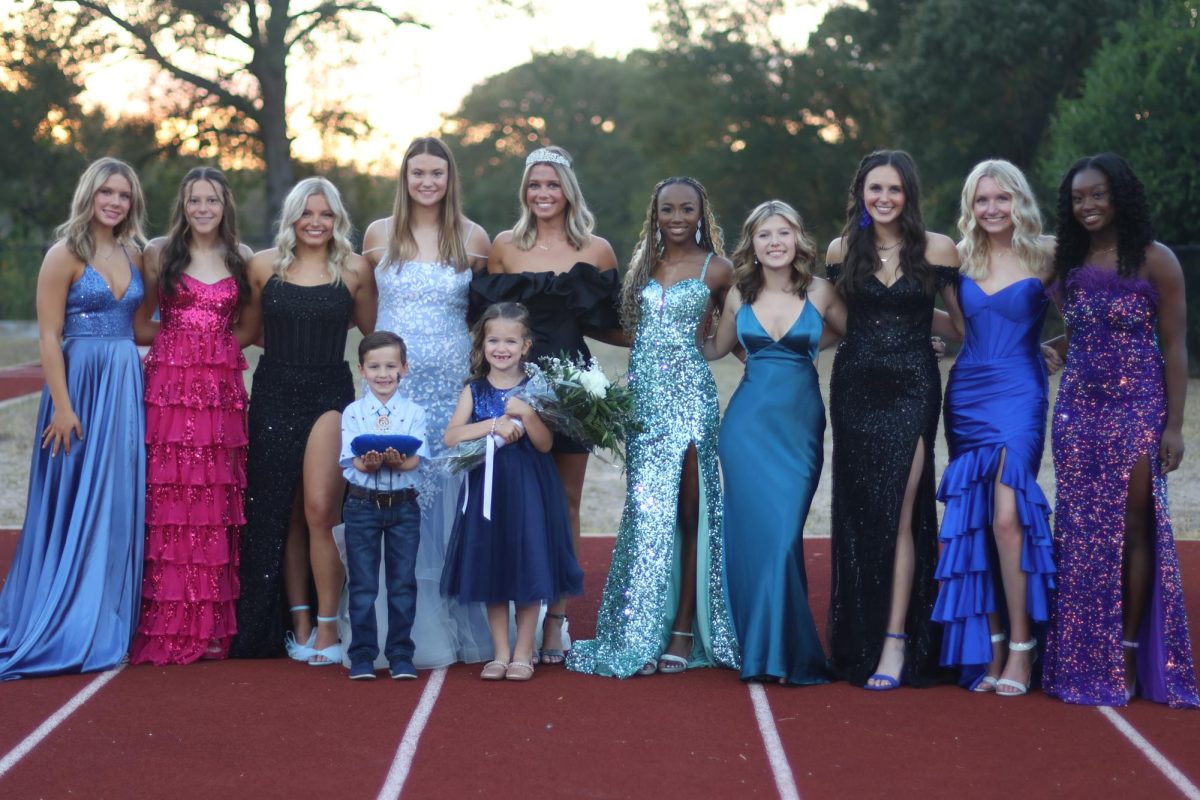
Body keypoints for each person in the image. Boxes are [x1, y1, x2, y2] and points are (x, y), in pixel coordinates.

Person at [1042, 153, 1198, 708]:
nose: (1087, 205)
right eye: (1078, 198)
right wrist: (1049, 348)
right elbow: (1068, 328)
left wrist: (1174, 426)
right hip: (1078, 411)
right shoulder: (1066, 261)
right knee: (1081, 531)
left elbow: (1175, 345)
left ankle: (1128, 648)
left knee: (1133, 525)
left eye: (1097, 194)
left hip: (1137, 407)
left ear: (1120, 196)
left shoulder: (1156, 261)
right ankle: (1082, 652)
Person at [568, 177, 740, 678]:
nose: (678, 217)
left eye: (688, 208)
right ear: (656, 214)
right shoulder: (644, 264)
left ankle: (684, 629)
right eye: (669, 209)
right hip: (644, 403)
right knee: (647, 514)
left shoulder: (719, 268)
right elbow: (628, 327)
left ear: (702, 212)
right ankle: (640, 630)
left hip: (691, 399)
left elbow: (736, 331)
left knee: (690, 512)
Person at [472, 145, 620, 664]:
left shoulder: (597, 249)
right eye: (535, 185)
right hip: (513, 389)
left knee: (566, 503)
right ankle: (512, 618)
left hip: (573, 389)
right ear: (524, 191)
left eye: (552, 184)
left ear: (568, 190)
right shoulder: (505, 248)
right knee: (516, 500)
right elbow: (488, 323)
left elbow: (607, 322)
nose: (543, 193)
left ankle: (556, 621)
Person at [0, 157, 147, 679]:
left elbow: (142, 324)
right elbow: (47, 335)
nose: (114, 201)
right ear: (89, 194)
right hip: (78, 384)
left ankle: (108, 615)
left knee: (117, 497)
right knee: (74, 496)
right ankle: (65, 615)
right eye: (106, 192)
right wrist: (63, 406)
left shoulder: (135, 252)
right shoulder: (64, 253)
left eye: (123, 195)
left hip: (124, 383)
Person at [825, 150, 961, 689]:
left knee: (902, 514)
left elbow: (964, 323)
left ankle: (896, 642)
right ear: (861, 193)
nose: (883, 199)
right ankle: (860, 635)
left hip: (912, 390)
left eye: (894, 190)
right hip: (854, 387)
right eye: (874, 189)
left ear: (910, 195)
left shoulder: (938, 248)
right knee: (862, 514)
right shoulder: (841, 250)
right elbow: (836, 318)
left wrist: (1024, 346)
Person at [359, 137, 493, 668]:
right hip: (397, 386)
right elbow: (369, 314)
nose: (427, 182)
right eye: (418, 173)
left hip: (453, 386)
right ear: (405, 177)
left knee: (450, 496)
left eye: (437, 172)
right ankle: (397, 626)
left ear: (449, 177)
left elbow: (483, 315)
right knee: (396, 490)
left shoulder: (474, 237)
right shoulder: (377, 235)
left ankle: (456, 616)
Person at [230, 177, 376, 664]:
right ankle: (300, 622)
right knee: (280, 510)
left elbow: (374, 338)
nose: (316, 222)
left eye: (326, 214)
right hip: (272, 393)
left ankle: (330, 626)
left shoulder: (356, 269)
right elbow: (248, 333)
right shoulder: (262, 265)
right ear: (291, 216)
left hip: (329, 396)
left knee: (319, 508)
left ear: (338, 219)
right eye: (307, 213)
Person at [931, 160, 1057, 695]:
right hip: (967, 393)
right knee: (979, 518)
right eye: (981, 200)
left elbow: (1097, 308)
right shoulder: (957, 258)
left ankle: (1024, 650)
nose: (991, 209)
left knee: (1008, 516)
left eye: (1000, 198)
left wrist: (1059, 347)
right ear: (970, 206)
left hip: (1021, 392)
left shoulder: (1047, 253)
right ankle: (993, 645)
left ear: (1018, 201)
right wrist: (922, 332)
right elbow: (960, 327)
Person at [706, 200, 845, 686]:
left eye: (783, 233)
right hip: (745, 429)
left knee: (784, 537)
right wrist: (664, 322)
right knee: (756, 538)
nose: (775, 243)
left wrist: (923, 341)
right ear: (752, 244)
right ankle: (762, 650)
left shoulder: (823, 291)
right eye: (764, 235)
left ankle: (781, 648)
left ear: (798, 239)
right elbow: (716, 348)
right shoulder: (739, 296)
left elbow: (865, 336)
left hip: (799, 426)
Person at [129, 167, 252, 666]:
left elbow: (247, 329)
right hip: (168, 393)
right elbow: (140, 324)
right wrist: (179, 352)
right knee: (169, 500)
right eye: (195, 200)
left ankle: (209, 625)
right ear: (183, 204)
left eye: (213, 201)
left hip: (219, 394)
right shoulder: (159, 252)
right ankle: (166, 618)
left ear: (226, 207)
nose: (204, 209)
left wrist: (210, 353)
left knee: (213, 500)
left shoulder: (241, 258)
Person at [440, 303, 584, 681]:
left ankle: (524, 650)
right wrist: (495, 424)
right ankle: (499, 651)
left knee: (527, 562)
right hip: (487, 489)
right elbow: (452, 436)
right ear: (482, 344)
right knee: (492, 565)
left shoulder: (536, 387)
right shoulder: (474, 389)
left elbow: (544, 444)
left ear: (525, 346)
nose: (500, 348)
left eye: (510, 341)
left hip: (528, 489)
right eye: (493, 340)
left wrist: (528, 414)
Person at [341, 332, 428, 681]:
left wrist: (396, 460)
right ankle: (362, 655)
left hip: (404, 508)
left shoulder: (414, 412)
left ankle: (401, 655)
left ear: (404, 369)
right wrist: (372, 462)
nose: (383, 373)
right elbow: (354, 463)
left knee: (402, 583)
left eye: (391, 366)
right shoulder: (353, 413)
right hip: (362, 507)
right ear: (362, 369)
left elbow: (414, 462)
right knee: (362, 585)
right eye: (374, 366)